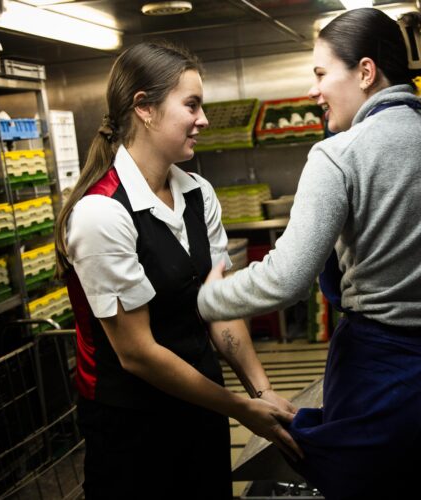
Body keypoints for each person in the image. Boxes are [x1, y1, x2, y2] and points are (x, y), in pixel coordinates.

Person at [197, 8, 421, 500]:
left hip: (379, 381)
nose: (313, 91)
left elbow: (286, 279)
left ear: (366, 73)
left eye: (322, 73)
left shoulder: (339, 155)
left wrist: (208, 300)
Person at [53, 41, 302, 499]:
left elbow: (218, 306)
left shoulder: (197, 193)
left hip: (202, 405)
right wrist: (241, 409)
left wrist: (261, 392)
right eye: (192, 105)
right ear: (144, 109)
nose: (203, 119)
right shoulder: (101, 213)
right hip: (133, 428)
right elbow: (137, 352)